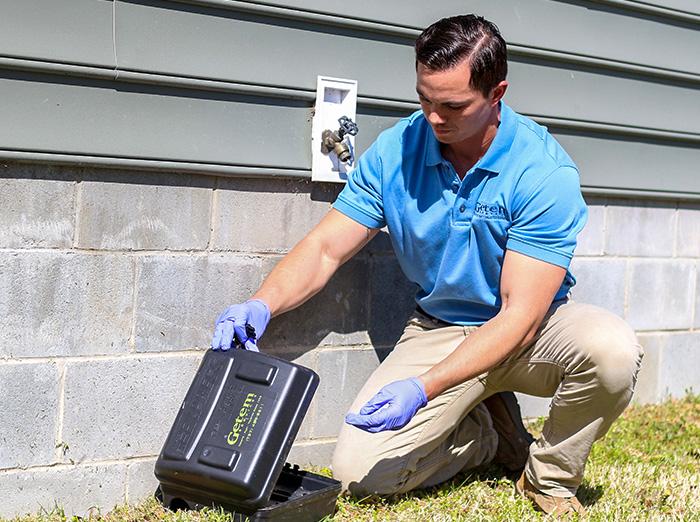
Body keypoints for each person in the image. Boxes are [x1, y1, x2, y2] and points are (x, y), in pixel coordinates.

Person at [211, 14, 643, 516]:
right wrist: (261, 304)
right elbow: (326, 248)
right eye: (424, 99)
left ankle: (546, 478)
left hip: (531, 329)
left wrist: (423, 388)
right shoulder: (397, 150)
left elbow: (519, 318)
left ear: (497, 92)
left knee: (612, 352)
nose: (435, 119)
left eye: (453, 106)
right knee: (361, 473)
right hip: (440, 327)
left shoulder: (543, 172)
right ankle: (488, 434)